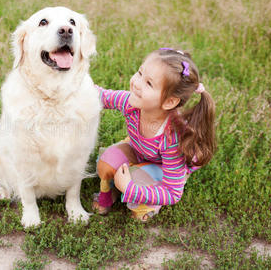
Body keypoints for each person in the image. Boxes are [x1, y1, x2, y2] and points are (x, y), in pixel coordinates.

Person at [92, 48, 216, 222]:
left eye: (149, 83)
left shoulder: (173, 138)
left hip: (166, 166)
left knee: (137, 200)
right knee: (106, 162)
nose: (136, 83)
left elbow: (173, 193)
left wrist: (130, 189)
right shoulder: (131, 103)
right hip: (141, 150)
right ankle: (114, 189)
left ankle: (143, 198)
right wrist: (75, 84)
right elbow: (101, 96)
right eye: (140, 72)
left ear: (169, 102)